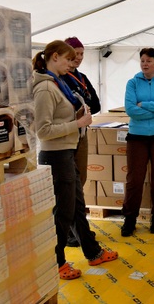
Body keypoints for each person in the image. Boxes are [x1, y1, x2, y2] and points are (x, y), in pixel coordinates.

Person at [32, 40, 118, 280]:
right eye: (69, 59)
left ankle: (92, 252)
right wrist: (77, 123)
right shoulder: (45, 88)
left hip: (67, 151)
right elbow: (43, 130)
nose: (73, 64)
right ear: (55, 57)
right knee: (63, 213)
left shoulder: (57, 83)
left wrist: (77, 116)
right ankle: (57, 262)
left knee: (77, 207)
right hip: (56, 155)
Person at [121, 47, 154, 237]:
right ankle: (129, 219)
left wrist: (143, 104)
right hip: (137, 136)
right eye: (142, 60)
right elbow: (130, 109)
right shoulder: (133, 83)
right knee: (134, 179)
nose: (145, 64)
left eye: (149, 61)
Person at [63, 36, 101, 247]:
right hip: (66, 137)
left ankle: (79, 228)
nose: (79, 58)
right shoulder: (60, 78)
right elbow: (72, 107)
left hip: (82, 135)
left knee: (80, 181)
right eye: (75, 54)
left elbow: (96, 104)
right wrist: (83, 105)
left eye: (82, 54)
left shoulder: (81, 77)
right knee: (68, 185)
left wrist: (84, 105)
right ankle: (69, 230)